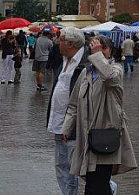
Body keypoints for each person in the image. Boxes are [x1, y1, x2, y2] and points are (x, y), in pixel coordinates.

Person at [62, 35, 137, 194]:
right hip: (87, 138)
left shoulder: (116, 69)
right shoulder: (85, 74)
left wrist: (97, 55)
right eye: (96, 47)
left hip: (105, 137)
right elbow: (74, 104)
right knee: (91, 184)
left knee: (99, 183)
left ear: (110, 51)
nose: (100, 51)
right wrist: (67, 128)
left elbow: (110, 77)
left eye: (104, 48)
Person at [47, 27, 88, 195]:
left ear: (70, 43)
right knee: (61, 165)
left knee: (77, 167)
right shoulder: (63, 60)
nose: (58, 43)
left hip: (74, 124)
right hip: (57, 121)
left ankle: (107, 188)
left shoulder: (85, 63)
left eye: (61, 40)